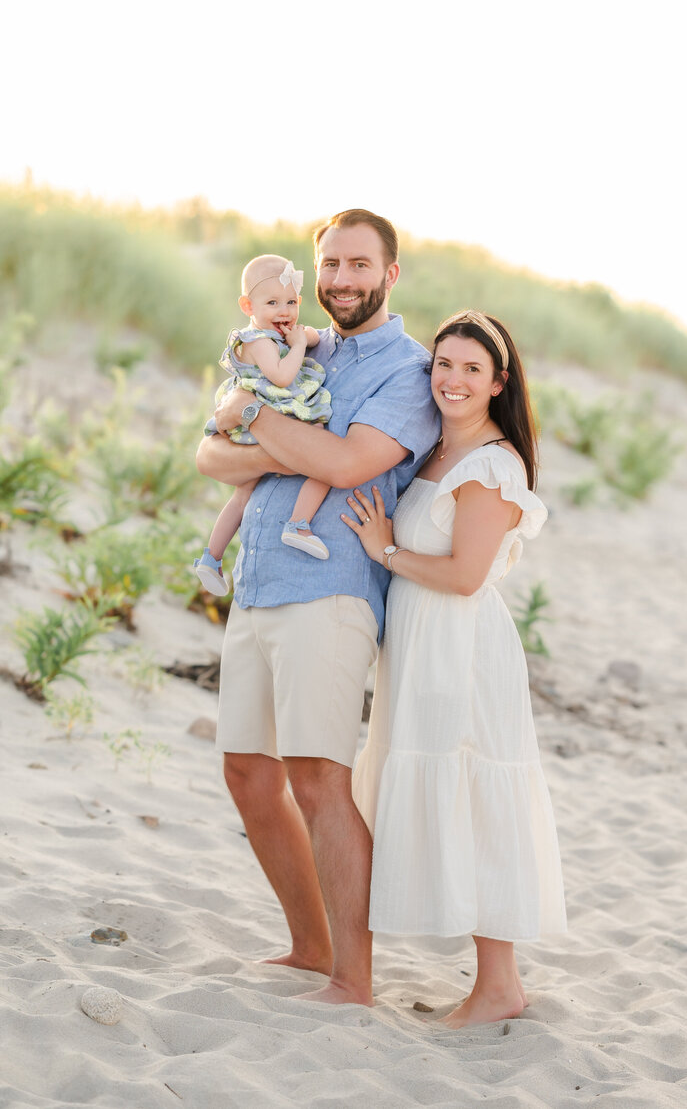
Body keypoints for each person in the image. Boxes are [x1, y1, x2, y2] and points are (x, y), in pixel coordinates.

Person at [195, 209, 440, 1006]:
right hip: (259, 577)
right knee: (246, 772)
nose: (341, 280)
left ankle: (354, 977)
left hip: (330, 588)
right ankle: (309, 946)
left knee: (317, 778)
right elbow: (206, 452)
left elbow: (347, 459)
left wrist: (256, 421)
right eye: (330, 265)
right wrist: (281, 440)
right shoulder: (291, 343)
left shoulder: (407, 371)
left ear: (391, 273)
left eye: (359, 266)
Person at [344, 310, 567, 1027]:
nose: (453, 379)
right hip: (424, 647)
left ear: (499, 382)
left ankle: (500, 986)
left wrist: (384, 550)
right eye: (444, 364)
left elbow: (467, 575)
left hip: (461, 650)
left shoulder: (491, 467)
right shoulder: (439, 452)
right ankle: (490, 984)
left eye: (472, 369)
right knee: (454, 797)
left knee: (472, 800)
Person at [194, 254, 334, 596]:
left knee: (244, 493)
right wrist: (299, 344)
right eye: (272, 303)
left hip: (263, 416)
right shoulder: (257, 340)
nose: (283, 312)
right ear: (247, 305)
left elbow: (313, 336)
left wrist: (307, 335)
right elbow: (283, 378)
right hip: (262, 415)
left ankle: (210, 558)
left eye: (290, 302)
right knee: (324, 454)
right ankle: (298, 524)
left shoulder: (274, 334)